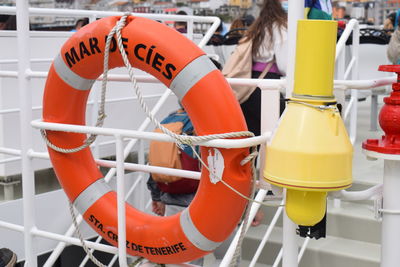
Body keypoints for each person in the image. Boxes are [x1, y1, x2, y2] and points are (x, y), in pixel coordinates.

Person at [237, 0, 288, 137]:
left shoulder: (257, 26)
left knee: (252, 139)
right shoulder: (279, 28)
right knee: (277, 132)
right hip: (267, 85)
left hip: (248, 86)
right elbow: (284, 66)